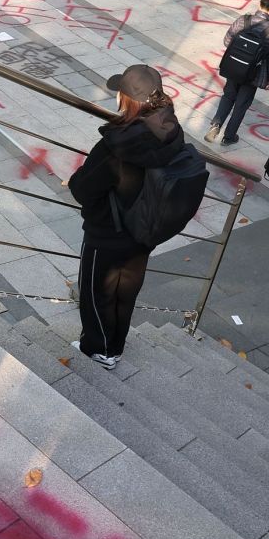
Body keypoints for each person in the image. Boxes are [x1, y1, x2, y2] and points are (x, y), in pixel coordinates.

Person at [68, 65, 201, 368]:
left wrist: (73, 181)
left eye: (120, 91)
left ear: (127, 99)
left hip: (108, 231)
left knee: (96, 293)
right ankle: (115, 346)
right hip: (145, 229)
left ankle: (98, 349)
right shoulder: (169, 128)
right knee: (125, 293)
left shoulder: (116, 146)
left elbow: (83, 189)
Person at [204, 0, 269, 147]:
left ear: (259, 2)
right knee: (241, 103)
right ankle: (229, 137)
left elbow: (227, 41)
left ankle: (215, 126)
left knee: (228, 96)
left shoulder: (242, 20)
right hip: (253, 74)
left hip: (234, 68)